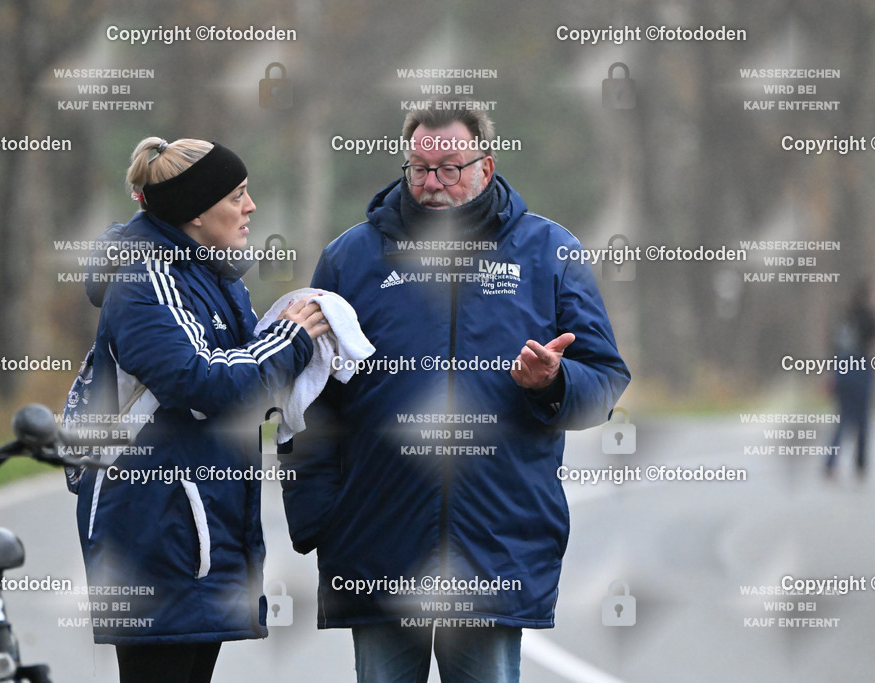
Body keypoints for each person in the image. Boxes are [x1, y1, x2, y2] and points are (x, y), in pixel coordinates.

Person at [280, 102, 630, 682]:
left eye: (450, 168)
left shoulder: (550, 252)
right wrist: (319, 518)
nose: (432, 183)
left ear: (486, 168)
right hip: (377, 540)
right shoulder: (351, 259)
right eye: (419, 168)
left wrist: (554, 383)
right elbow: (311, 401)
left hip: (495, 538)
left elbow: (605, 380)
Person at [66, 137, 329, 683]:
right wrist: (291, 338)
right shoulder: (145, 277)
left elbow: (247, 383)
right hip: (154, 530)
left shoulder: (209, 272)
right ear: (193, 214)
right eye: (237, 195)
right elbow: (203, 381)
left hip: (198, 524)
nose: (250, 207)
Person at [825, 278, 875, 479]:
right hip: (859, 369)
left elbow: (835, 346)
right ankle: (860, 465)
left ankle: (830, 464)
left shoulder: (844, 317)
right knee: (862, 418)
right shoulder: (868, 318)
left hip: (841, 368)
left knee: (843, 417)